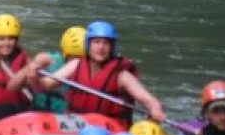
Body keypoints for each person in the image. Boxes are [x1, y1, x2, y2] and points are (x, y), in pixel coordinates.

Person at [29, 21, 164, 126]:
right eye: (96, 42)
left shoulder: (121, 75)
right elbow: (44, 85)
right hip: (77, 125)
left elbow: (149, 100)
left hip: (108, 128)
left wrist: (155, 110)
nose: (101, 47)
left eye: (106, 43)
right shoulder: (75, 65)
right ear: (89, 45)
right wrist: (34, 76)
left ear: (112, 47)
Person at [8, 26, 86, 113]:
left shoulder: (90, 68)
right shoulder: (50, 60)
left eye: (81, 58)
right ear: (65, 53)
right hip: (41, 111)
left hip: (66, 115)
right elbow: (12, 86)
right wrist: (33, 66)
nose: (77, 61)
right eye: (74, 57)